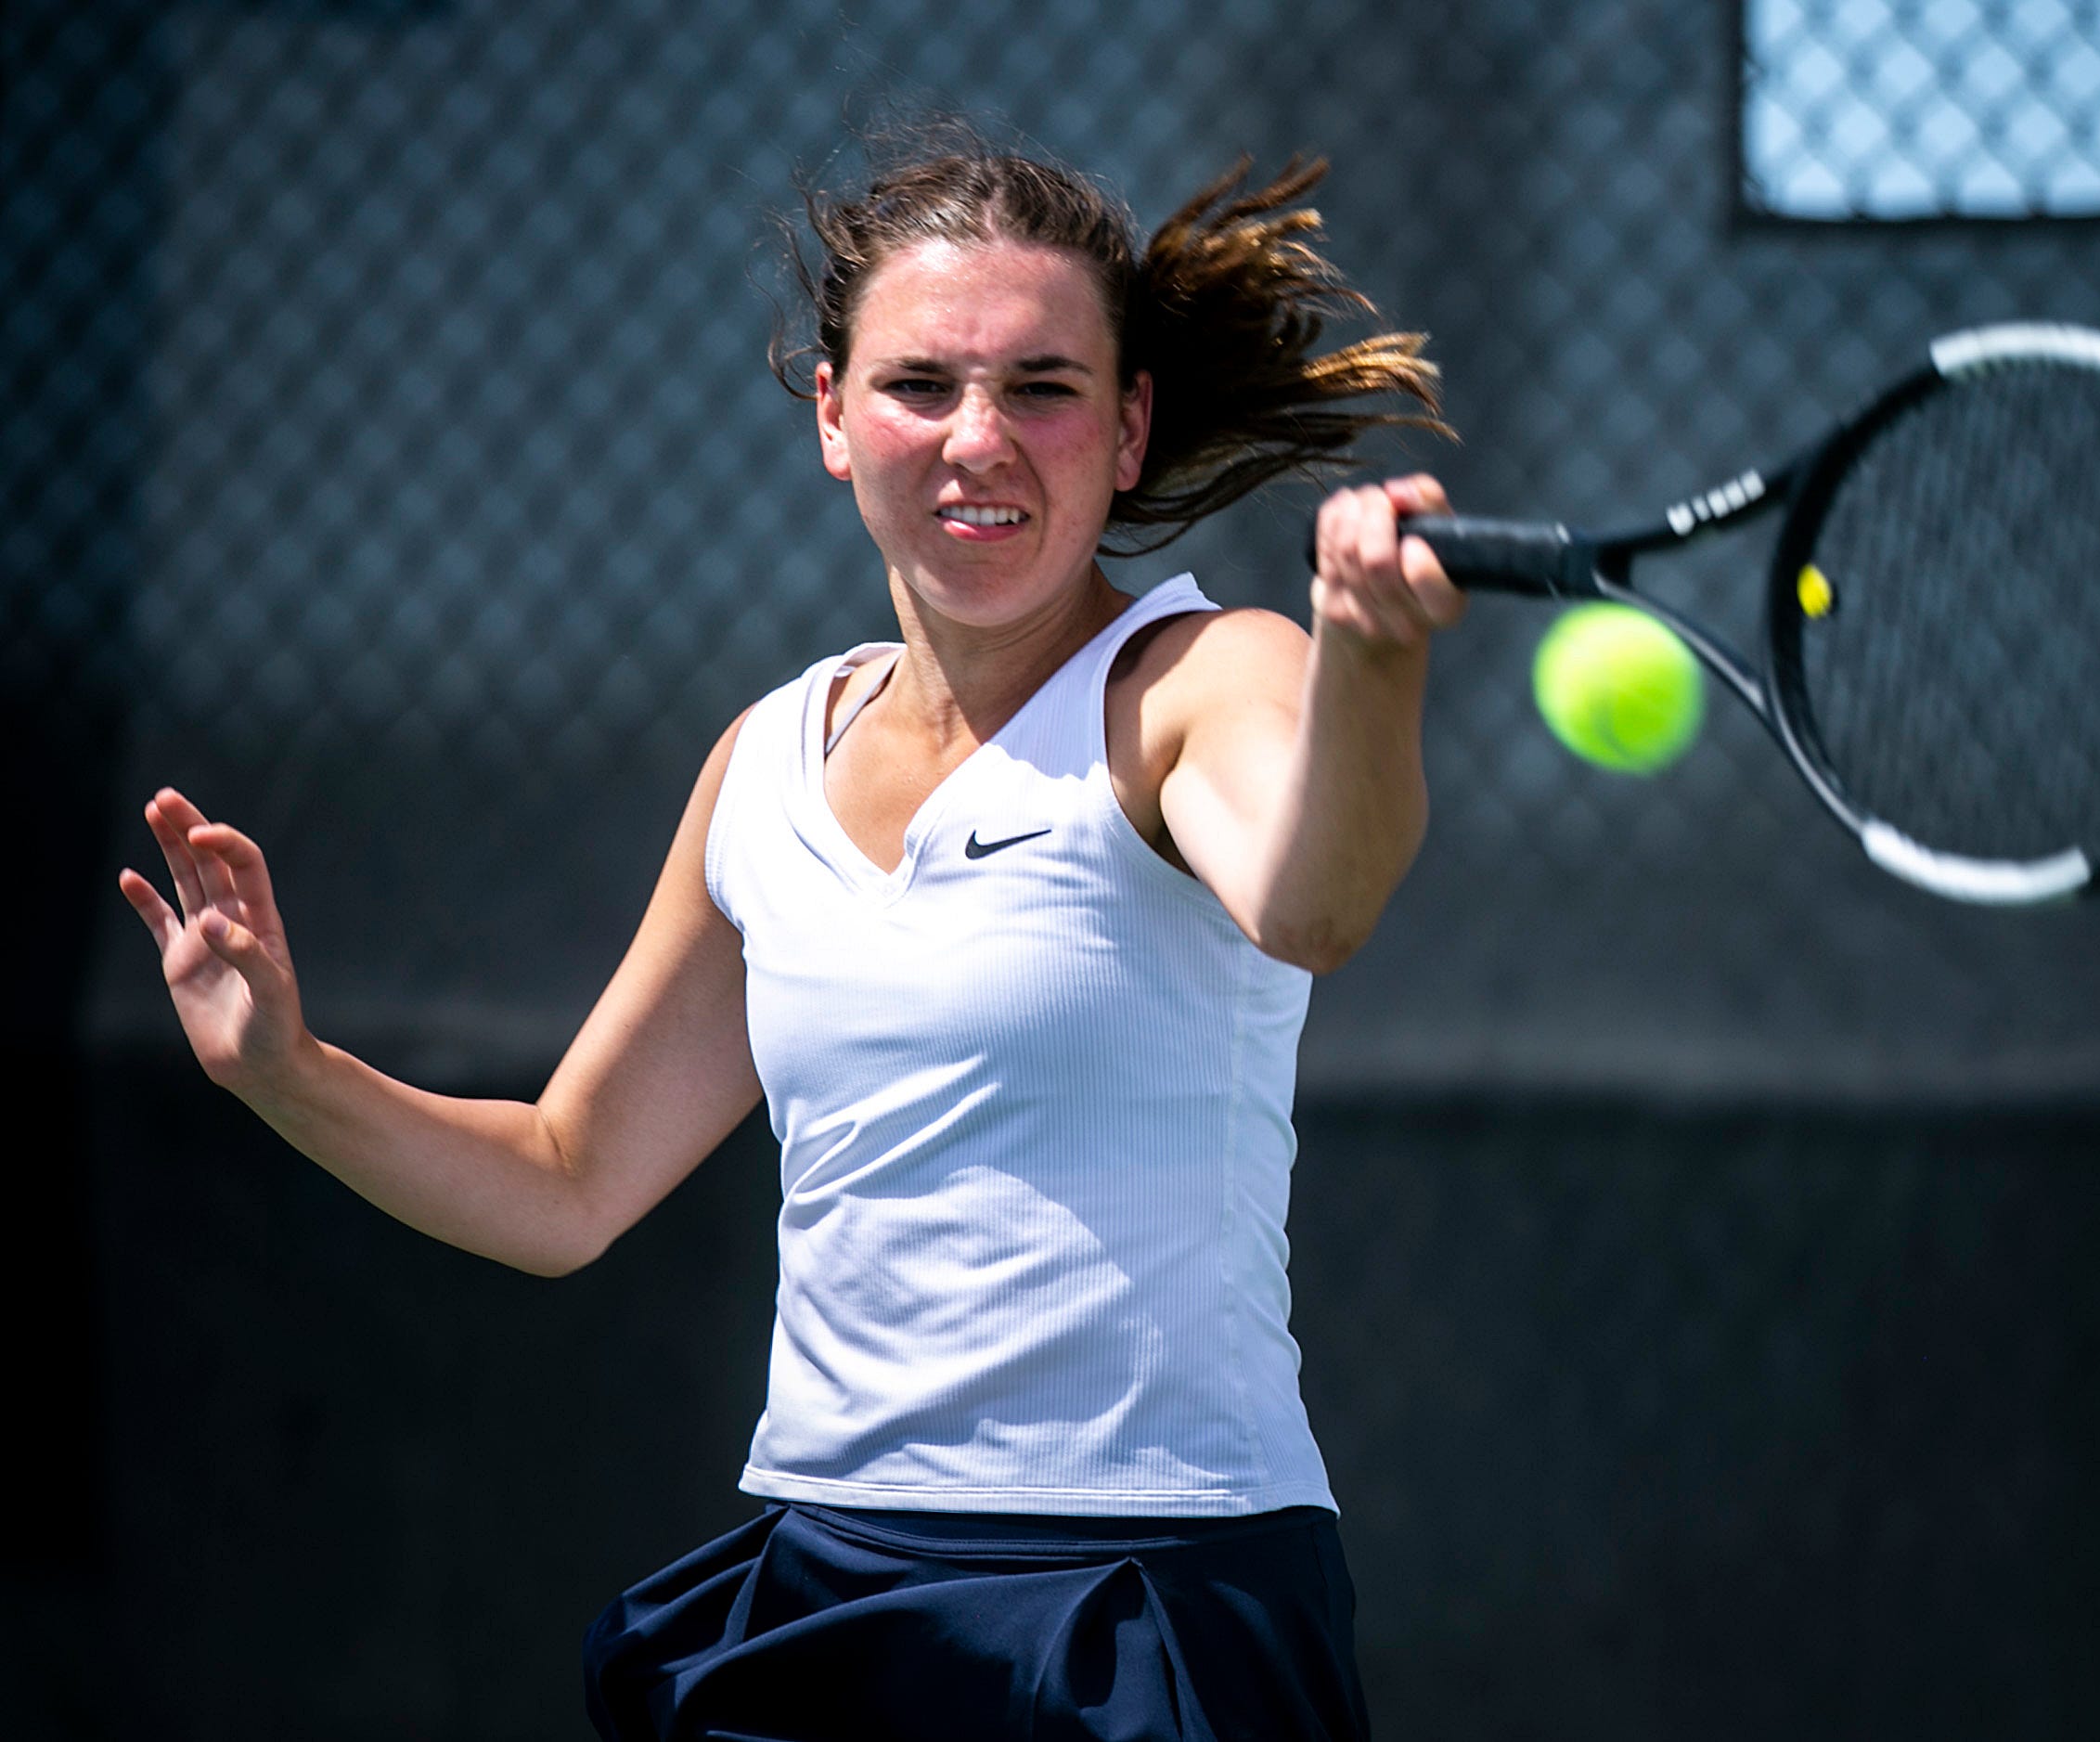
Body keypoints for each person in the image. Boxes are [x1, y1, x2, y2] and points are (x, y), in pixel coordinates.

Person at [117, 137, 1464, 1739]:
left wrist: (1370, 662)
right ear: (834, 416)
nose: (980, 439)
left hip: (1155, 1596)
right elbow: (565, 1178)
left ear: (1128, 429)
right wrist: (285, 1069)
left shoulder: (1200, 680)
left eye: (1042, 387)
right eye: (920, 384)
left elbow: (1316, 901)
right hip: (827, 1587)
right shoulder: (767, 761)